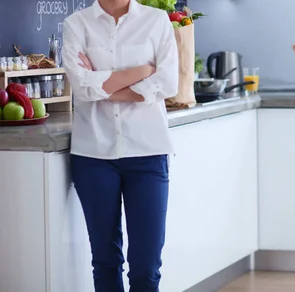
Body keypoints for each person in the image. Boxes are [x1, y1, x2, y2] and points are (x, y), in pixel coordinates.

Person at [61, 0, 178, 291]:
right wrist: (142, 71)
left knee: (146, 266)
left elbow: (168, 82)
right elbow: (81, 86)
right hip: (94, 156)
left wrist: (103, 85)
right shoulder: (77, 24)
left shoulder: (157, 20)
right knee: (105, 260)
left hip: (148, 155)